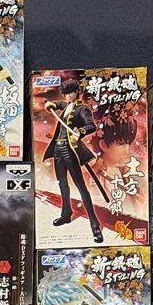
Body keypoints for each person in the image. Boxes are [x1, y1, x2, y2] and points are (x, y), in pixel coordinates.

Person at [41, 77, 103, 243]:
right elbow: (57, 104)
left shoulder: (82, 109)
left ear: (77, 92)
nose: (68, 96)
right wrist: (51, 105)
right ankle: (66, 214)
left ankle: (95, 225)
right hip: (58, 149)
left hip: (70, 150)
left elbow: (91, 126)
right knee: (62, 183)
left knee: (80, 185)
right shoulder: (65, 105)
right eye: (65, 93)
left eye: (70, 93)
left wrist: (79, 132)